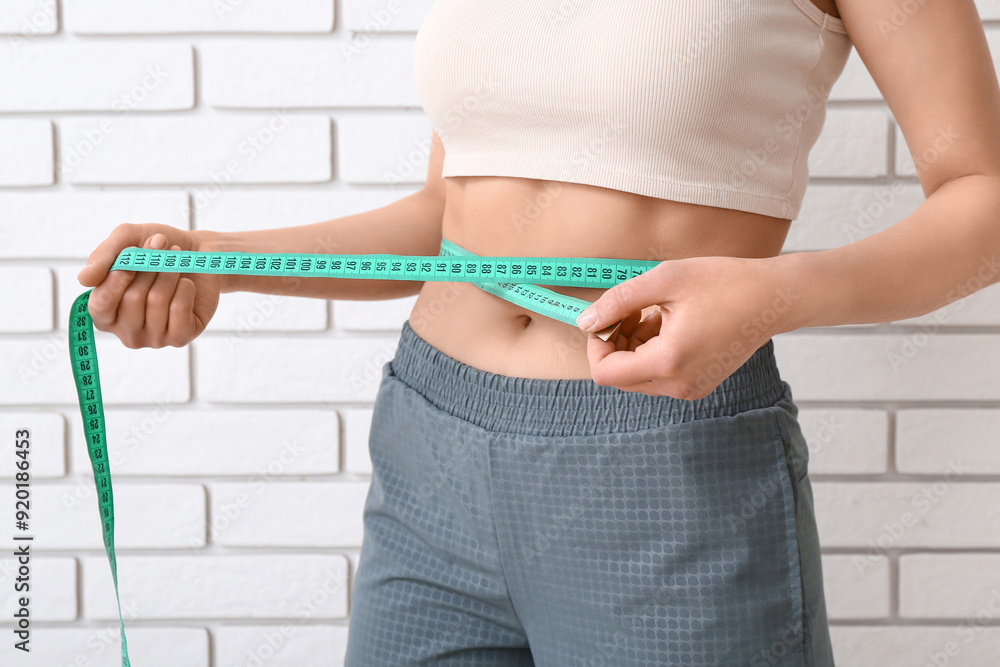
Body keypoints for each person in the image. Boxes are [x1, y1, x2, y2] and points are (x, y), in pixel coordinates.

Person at [77, 0, 1000, 665]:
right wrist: (221, 257)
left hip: (660, 467)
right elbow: (455, 217)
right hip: (429, 445)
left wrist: (771, 296)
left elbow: (984, 201)